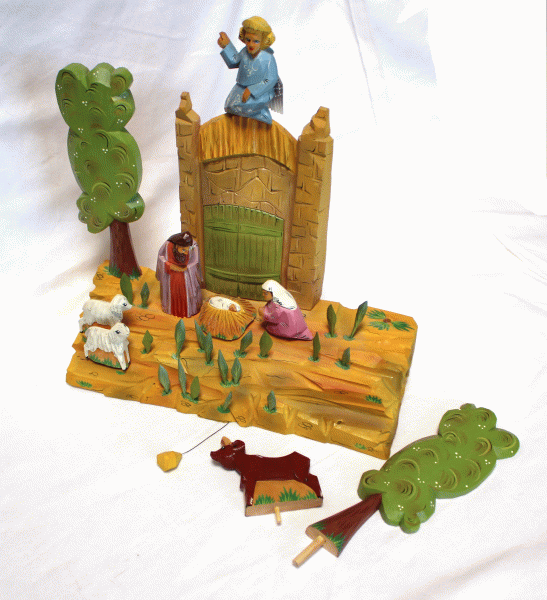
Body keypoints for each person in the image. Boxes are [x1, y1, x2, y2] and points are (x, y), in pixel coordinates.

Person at [217, 16, 282, 125]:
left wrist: (252, 89)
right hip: (241, 88)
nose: (251, 44)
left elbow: (271, 79)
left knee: (245, 106)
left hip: (259, 92)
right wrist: (227, 46)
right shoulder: (244, 52)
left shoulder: (268, 58)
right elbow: (234, 61)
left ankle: (262, 116)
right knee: (230, 106)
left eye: (256, 41)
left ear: (263, 41)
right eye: (248, 40)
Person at [156, 232, 203, 318]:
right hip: (171, 277)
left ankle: (188, 311)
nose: (186, 253)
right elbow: (161, 257)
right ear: (177, 246)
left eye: (188, 250)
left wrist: (187, 268)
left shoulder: (194, 246)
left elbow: (195, 261)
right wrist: (168, 265)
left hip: (186, 277)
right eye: (183, 250)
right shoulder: (167, 245)